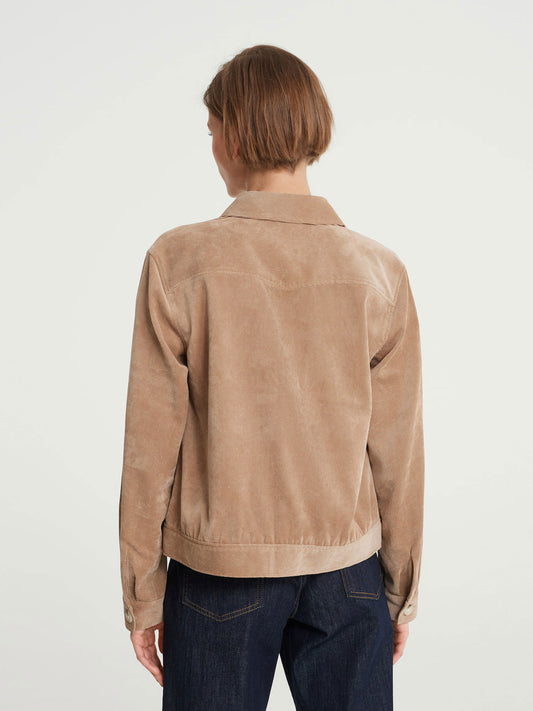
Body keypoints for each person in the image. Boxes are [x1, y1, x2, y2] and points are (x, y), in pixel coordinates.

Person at [118, 44, 425, 711]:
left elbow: (149, 448)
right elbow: (397, 452)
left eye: (210, 132)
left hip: (219, 571)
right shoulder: (379, 272)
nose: (212, 148)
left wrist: (143, 593)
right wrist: (399, 589)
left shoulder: (178, 261)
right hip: (348, 572)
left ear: (231, 135)